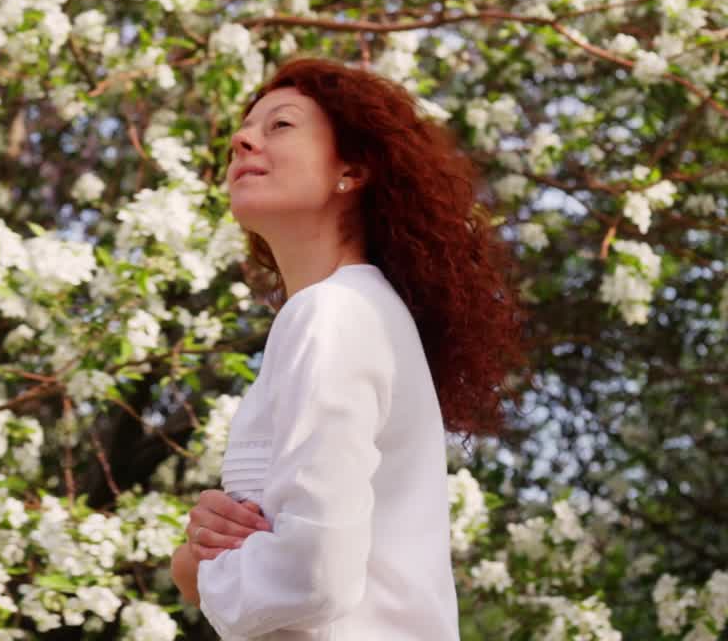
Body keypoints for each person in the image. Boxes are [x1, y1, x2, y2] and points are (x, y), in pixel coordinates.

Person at [167, 58, 525, 639]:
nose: (242, 139)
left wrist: (193, 568)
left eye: (280, 126)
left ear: (352, 169)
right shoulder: (352, 312)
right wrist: (210, 545)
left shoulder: (332, 314)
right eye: (245, 128)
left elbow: (312, 577)